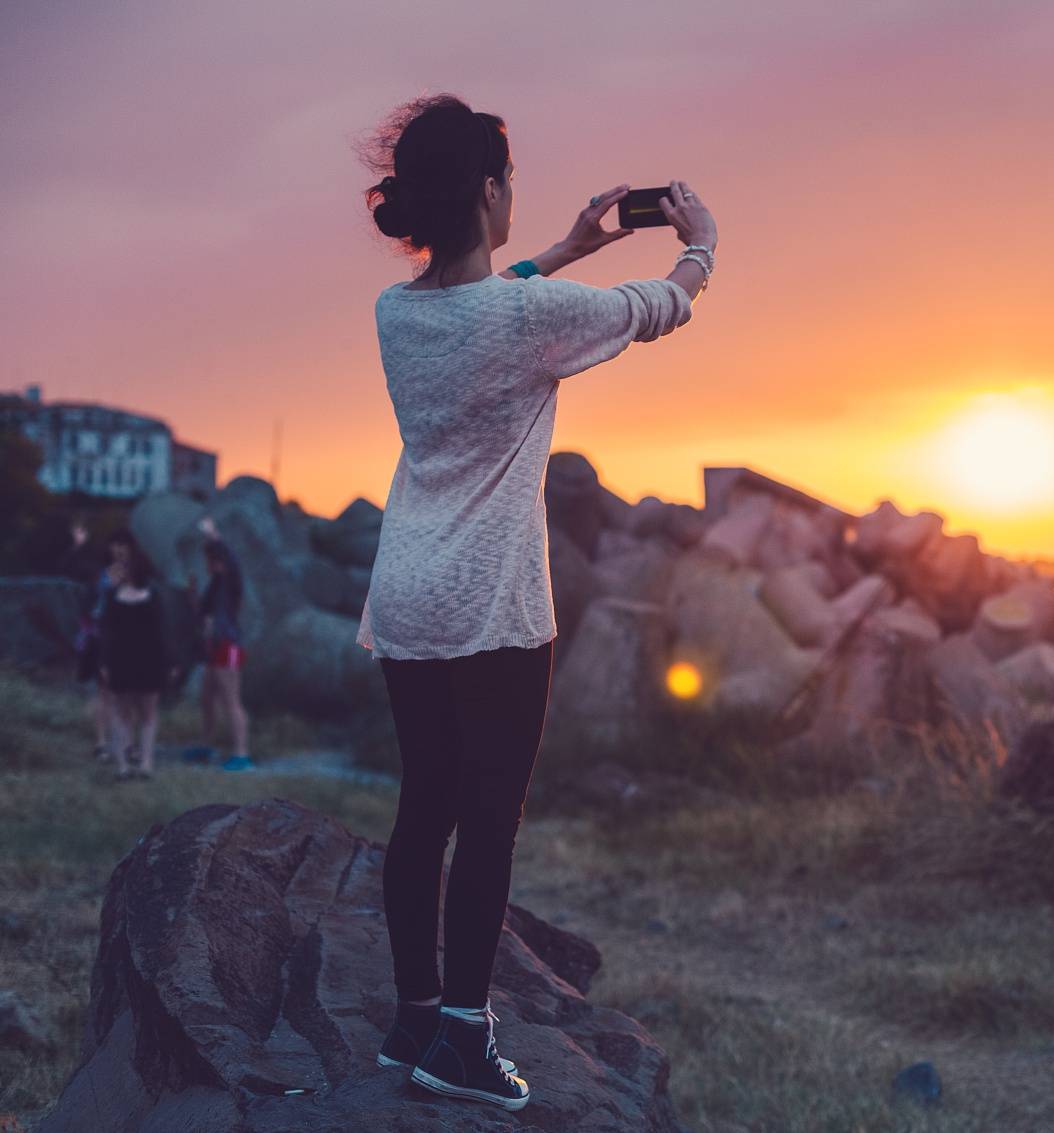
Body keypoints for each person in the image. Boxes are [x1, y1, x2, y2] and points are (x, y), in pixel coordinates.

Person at [356, 94, 715, 1111]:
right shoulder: (520, 320)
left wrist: (563, 246)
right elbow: (660, 306)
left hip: (408, 592)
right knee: (490, 818)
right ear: (485, 190)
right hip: (492, 604)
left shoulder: (399, 314)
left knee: (423, 805)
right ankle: (464, 1041)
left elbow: (488, 301)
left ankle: (413, 1015)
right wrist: (704, 247)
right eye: (507, 182)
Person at [98, 544, 177, 780]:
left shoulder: (152, 596)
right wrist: (103, 662)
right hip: (121, 659)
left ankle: (146, 763)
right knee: (121, 712)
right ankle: (122, 765)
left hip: (148, 660)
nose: (120, 568)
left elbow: (162, 632)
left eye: (125, 564)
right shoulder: (112, 596)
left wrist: (171, 661)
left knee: (148, 713)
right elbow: (106, 631)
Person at [194, 516, 253, 770]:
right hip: (213, 647)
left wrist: (213, 535)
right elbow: (203, 613)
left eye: (209, 560)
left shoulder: (229, 581)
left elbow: (233, 563)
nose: (206, 564)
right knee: (207, 697)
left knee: (231, 700)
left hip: (228, 645)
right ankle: (207, 746)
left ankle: (241, 754)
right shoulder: (215, 584)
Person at [59, 517, 115, 762]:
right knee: (103, 692)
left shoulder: (123, 580)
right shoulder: (97, 579)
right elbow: (69, 569)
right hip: (98, 641)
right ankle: (102, 742)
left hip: (113, 641)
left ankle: (112, 742)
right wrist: (77, 545)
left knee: (113, 694)